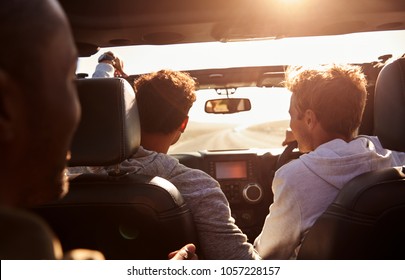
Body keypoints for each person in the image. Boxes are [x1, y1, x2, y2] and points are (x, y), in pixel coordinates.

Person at [0, 0, 192, 260]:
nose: (84, 110)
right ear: (5, 106)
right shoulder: (28, 242)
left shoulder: (27, 246)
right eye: (69, 82)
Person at [85, 69, 260, 259]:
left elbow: (89, 103)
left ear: (133, 115)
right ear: (183, 124)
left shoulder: (70, 176)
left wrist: (106, 65)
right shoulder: (199, 187)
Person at [254, 64, 405, 259]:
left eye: (292, 116)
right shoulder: (394, 159)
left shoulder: (294, 178)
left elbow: (267, 254)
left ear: (309, 119)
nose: (291, 123)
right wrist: (306, 136)